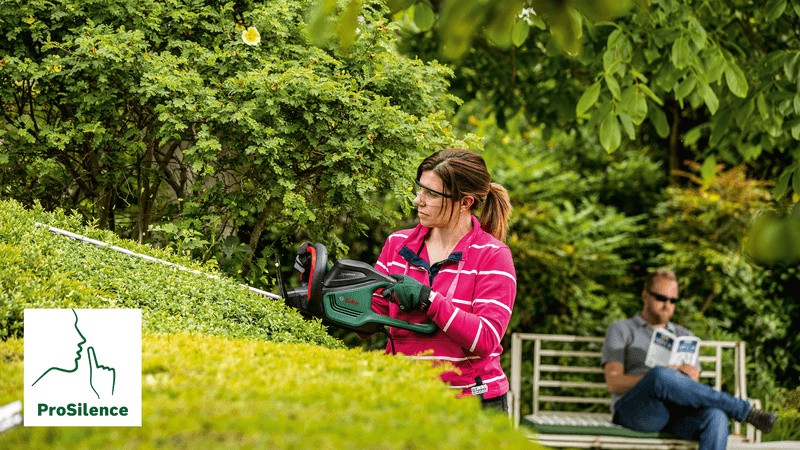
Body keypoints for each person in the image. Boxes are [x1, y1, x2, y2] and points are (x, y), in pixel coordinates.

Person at [369, 148, 516, 413]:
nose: (418, 200)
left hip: (473, 403)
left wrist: (429, 300)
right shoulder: (397, 245)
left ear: (465, 202)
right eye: (420, 189)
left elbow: (485, 338)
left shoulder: (493, 255)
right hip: (403, 397)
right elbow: (370, 319)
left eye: (432, 194)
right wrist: (325, 291)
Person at [601, 268, 777, 450]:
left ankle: (740, 410)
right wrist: (659, 377)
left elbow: (693, 388)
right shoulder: (621, 329)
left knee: (716, 417)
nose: (667, 305)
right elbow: (614, 383)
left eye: (673, 300)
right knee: (660, 374)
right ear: (645, 295)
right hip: (639, 411)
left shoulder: (684, 336)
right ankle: (744, 410)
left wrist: (690, 376)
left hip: (677, 413)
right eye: (661, 298)